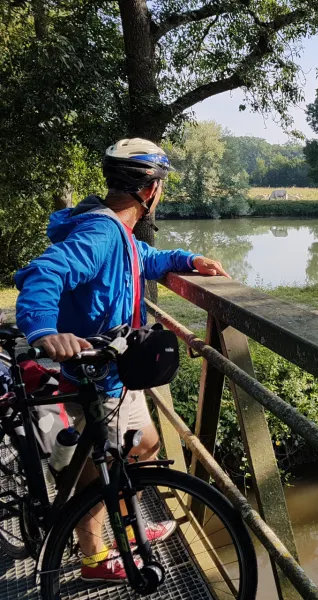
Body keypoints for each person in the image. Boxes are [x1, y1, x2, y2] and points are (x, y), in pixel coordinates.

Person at [14, 138, 230, 583]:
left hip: (113, 375)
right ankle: (95, 559)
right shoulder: (100, 232)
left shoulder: (119, 232)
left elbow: (144, 260)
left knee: (144, 444)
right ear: (151, 191)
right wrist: (43, 330)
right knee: (97, 475)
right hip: (90, 375)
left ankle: (125, 521)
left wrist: (189, 259)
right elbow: (44, 272)